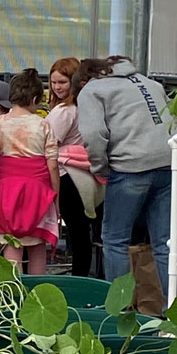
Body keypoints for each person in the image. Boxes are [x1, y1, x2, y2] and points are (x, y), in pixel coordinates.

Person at [76, 55, 174, 303]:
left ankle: (118, 310)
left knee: (115, 240)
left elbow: (94, 134)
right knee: (165, 242)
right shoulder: (151, 84)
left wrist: (101, 167)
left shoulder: (93, 90)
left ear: (86, 78)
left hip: (129, 167)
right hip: (168, 165)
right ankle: (173, 311)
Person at [0, 69, 60, 275]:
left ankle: (13, 294)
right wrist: (55, 198)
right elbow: (52, 165)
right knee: (37, 246)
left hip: (4, 190)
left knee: (11, 242)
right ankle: (37, 293)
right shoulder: (43, 125)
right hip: (37, 191)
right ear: (35, 98)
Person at [46, 57, 104, 277]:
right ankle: (87, 276)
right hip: (86, 176)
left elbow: (48, 143)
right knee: (84, 233)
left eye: (62, 82)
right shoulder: (87, 107)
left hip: (66, 175)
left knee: (77, 232)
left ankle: (79, 278)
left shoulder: (64, 111)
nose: (57, 87)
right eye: (53, 83)